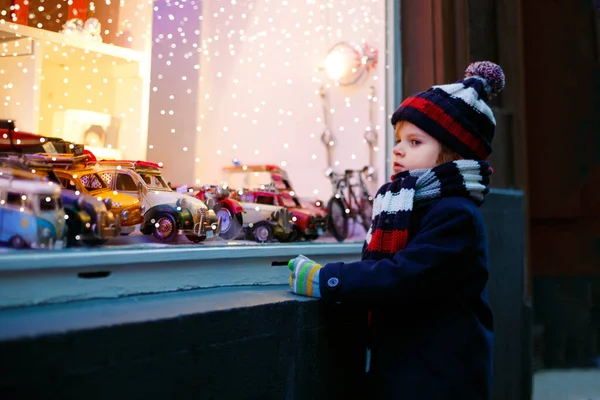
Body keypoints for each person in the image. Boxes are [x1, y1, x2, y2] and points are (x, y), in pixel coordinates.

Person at [288, 61, 505, 399]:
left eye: (415, 142)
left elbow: (406, 274)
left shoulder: (456, 215)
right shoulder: (405, 204)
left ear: (452, 155)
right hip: (407, 366)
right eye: (399, 139)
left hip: (440, 375)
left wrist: (329, 278)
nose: (398, 149)